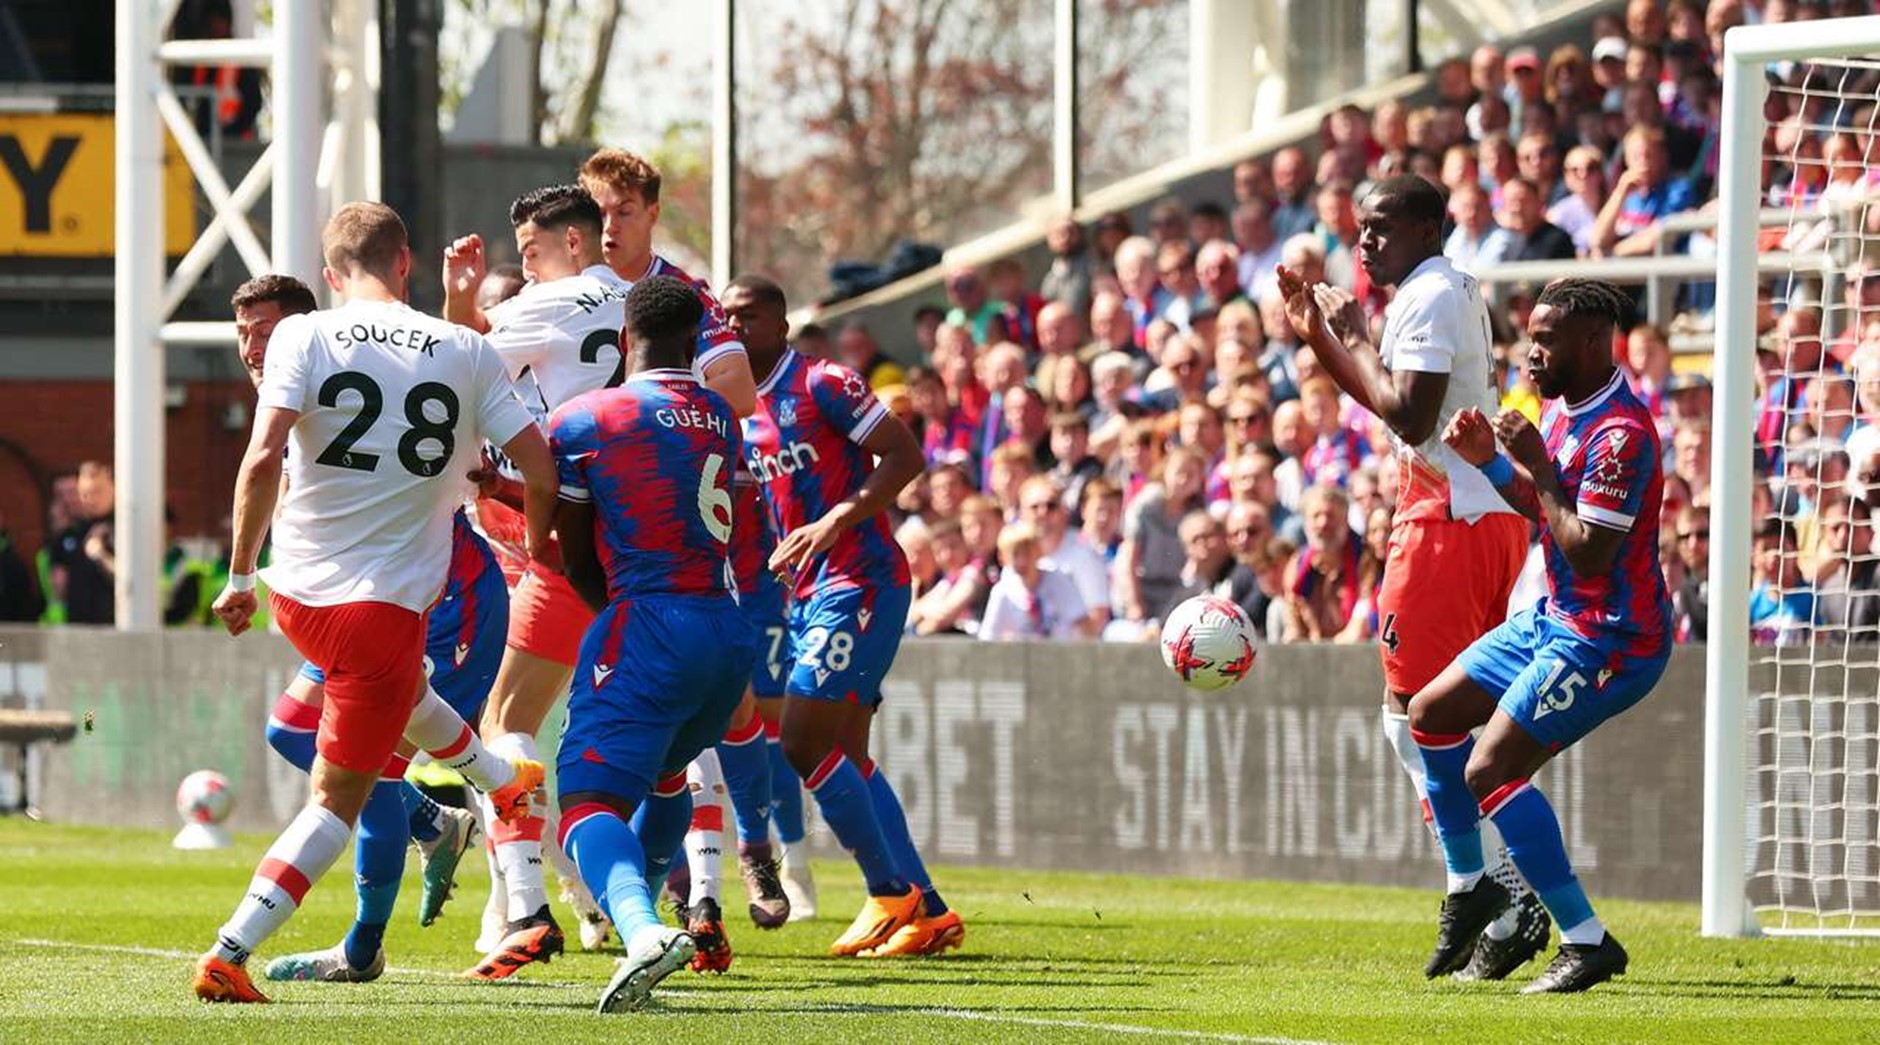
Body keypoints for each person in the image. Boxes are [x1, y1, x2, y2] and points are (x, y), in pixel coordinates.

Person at [193, 202, 554, 1004]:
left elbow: (260, 461)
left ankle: (495, 780)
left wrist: (241, 576)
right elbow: (539, 465)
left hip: (300, 597)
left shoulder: (303, 333)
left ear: (329, 275)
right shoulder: (465, 349)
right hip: (384, 607)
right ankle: (230, 949)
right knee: (338, 798)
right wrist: (538, 540)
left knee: (396, 695)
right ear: (406, 262)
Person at [1279, 173, 1544, 981]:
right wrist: (1325, 338)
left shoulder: (1427, 295)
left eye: (1383, 226)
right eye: (1361, 229)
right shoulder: (1441, 287)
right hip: (1472, 512)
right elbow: (1394, 401)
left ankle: (1500, 887)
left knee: (1411, 715)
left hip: (1448, 521)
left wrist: (1350, 333)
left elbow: (1411, 416)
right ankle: (1503, 888)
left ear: (1431, 226)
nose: (1365, 242)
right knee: (1437, 715)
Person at [229, 272, 500, 984]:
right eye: (243, 331)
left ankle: (360, 948)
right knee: (291, 731)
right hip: (358, 601)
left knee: (365, 776)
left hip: (441, 603)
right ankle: (446, 814)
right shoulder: (295, 399)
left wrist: (243, 577)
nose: (253, 345)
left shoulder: (331, 368)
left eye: (266, 329)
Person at [1423, 277, 1670, 993]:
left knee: (1489, 769)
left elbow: (1588, 546)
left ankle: (1585, 938)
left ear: (1594, 341)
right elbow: (1541, 509)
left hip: (1610, 638)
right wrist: (1494, 463)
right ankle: (1474, 885)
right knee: (1431, 714)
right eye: (1530, 335)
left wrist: (1529, 458)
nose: (1532, 352)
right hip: (1557, 617)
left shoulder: (1621, 434)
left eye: (1547, 337)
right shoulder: (1565, 409)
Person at [723, 273, 962, 957]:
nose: (734, 330)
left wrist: (834, 518)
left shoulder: (824, 382)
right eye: (726, 318)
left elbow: (906, 454)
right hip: (809, 589)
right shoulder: (743, 409)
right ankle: (929, 911)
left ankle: (889, 891)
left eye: (747, 317)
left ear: (780, 322)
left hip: (861, 579)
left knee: (800, 739)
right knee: (848, 753)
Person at [550, 275, 758, 1013]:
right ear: (699, 345)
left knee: (583, 801)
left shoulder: (585, 417)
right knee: (671, 772)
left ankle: (639, 931)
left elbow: (573, 554)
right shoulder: (721, 416)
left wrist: (627, 627)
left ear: (619, 342)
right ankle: (641, 900)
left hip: (652, 619)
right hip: (728, 627)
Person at [978, 521, 1094, 640]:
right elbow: (989, 637)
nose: (1022, 561)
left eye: (1027, 553)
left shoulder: (1059, 581)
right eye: (1015, 554)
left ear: (1039, 552)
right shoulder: (1003, 592)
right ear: (1003, 558)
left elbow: (1083, 623)